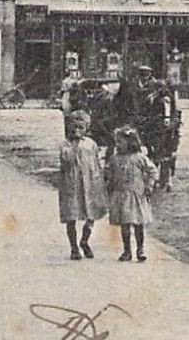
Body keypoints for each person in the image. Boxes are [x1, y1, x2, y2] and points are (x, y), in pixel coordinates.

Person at [55, 110, 107, 259]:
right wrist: (74, 146)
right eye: (74, 127)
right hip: (71, 184)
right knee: (71, 215)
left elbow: (97, 162)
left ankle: (84, 240)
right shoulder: (65, 144)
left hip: (89, 183)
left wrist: (100, 179)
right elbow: (66, 160)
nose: (77, 131)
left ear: (86, 129)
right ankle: (73, 247)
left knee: (91, 213)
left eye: (81, 128)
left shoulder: (91, 144)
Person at [107, 126, 155, 262]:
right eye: (116, 142)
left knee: (138, 224)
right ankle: (127, 250)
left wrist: (149, 185)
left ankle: (140, 249)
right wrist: (109, 181)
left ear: (131, 142)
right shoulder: (115, 159)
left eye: (120, 142)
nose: (118, 145)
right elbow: (110, 173)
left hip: (136, 195)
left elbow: (153, 171)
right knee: (125, 225)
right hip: (121, 195)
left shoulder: (139, 158)